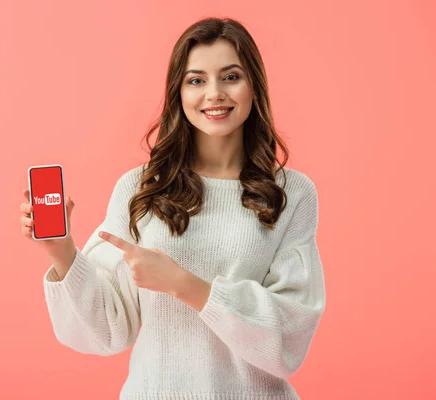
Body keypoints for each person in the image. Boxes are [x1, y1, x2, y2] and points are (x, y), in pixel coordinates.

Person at [19, 17, 326, 400]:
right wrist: (61, 251)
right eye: (196, 80)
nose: (214, 94)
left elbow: (287, 340)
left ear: (254, 87)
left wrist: (184, 285)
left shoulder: (291, 193)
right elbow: (106, 332)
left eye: (231, 77)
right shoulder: (141, 186)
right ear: (178, 92)